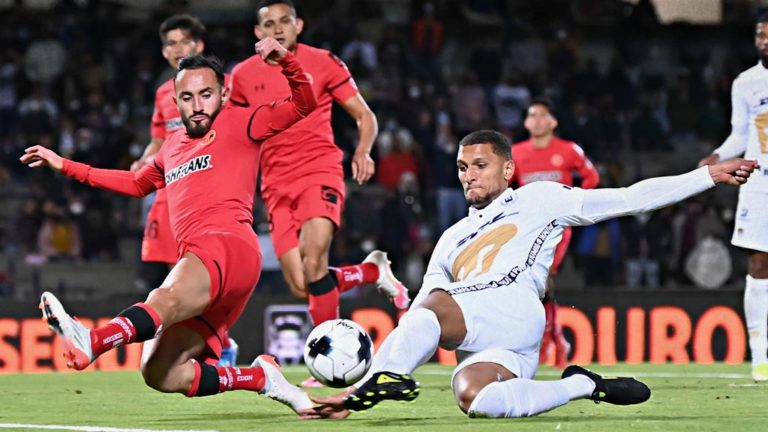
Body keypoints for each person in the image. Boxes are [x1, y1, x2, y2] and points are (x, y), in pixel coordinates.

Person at [300, 130, 757, 419]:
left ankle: (383, 380)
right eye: (462, 167)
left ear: (507, 168)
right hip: (493, 341)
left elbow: (629, 198)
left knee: (433, 308)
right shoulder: (451, 237)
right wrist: (359, 390)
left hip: (515, 306)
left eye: (480, 165)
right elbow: (422, 314)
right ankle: (583, 385)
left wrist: (707, 177)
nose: (469, 175)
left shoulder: (540, 198)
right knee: (474, 398)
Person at [22, 43, 317, 412]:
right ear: (176, 103)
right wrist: (65, 165)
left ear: (224, 94)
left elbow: (304, 104)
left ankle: (93, 341)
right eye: (187, 97)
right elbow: (135, 184)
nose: (197, 105)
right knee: (161, 372)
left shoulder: (242, 121)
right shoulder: (172, 147)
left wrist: (286, 61)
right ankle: (260, 378)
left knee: (163, 299)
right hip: (205, 263)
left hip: (228, 245)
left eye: (206, 94)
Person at [229, 1, 408, 333]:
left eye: (285, 21)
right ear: (257, 32)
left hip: (318, 169)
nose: (277, 29)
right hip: (274, 183)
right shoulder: (242, 75)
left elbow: (364, 114)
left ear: (298, 25)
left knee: (314, 262)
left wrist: (363, 151)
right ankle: (370, 272)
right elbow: (235, 131)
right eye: (269, 24)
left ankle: (329, 350)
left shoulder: (323, 62)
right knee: (303, 285)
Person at [130, 14, 237, 366]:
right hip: (170, 190)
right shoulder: (165, 94)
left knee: (202, 270)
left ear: (199, 45)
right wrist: (143, 159)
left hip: (207, 188)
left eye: (184, 42)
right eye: (171, 44)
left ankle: (219, 342)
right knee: (170, 273)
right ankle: (206, 345)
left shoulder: (222, 87)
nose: (178, 49)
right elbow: (158, 140)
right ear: (164, 51)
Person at [698, 11, 768, 382]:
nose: (764, 42)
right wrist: (718, 156)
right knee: (759, 264)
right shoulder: (746, 82)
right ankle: (760, 356)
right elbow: (740, 134)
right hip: (760, 185)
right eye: (760, 35)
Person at [511, 98, 600, 369]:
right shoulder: (516, 152)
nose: (536, 120)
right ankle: (556, 341)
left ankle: (550, 343)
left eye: (541, 115)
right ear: (525, 122)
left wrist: (576, 204)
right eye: (531, 115)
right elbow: (505, 186)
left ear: (553, 122)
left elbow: (592, 177)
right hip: (528, 228)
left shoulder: (568, 150)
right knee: (536, 285)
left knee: (545, 279)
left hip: (558, 228)